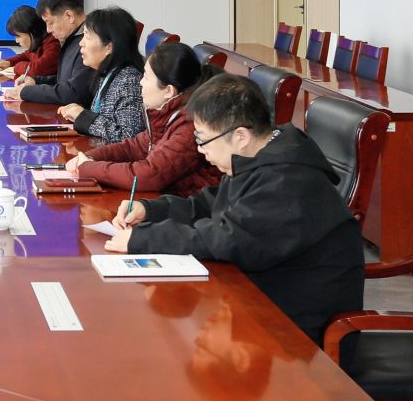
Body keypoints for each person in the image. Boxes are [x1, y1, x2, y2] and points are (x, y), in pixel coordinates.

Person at [106, 73, 364, 341]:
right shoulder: (258, 158)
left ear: (240, 136)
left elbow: (231, 239)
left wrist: (146, 238)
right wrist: (151, 210)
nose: (201, 150)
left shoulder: (287, 179)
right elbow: (211, 204)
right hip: (262, 301)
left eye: (203, 140)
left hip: (297, 332)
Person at [65, 42, 220, 196]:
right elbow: (134, 147)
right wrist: (89, 157)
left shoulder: (188, 124)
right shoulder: (166, 113)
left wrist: (89, 167)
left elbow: (148, 175)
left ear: (168, 91)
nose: (140, 82)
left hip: (189, 206)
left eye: (146, 77)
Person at [58, 6, 147, 143]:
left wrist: (83, 117)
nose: (81, 43)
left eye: (87, 37)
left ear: (109, 47)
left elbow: (128, 136)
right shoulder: (109, 72)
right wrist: (79, 112)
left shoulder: (129, 80)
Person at [3, 0, 93, 107]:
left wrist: (26, 92)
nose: (48, 30)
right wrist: (36, 81)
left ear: (69, 16)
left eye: (51, 23)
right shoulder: (71, 39)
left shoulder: (89, 43)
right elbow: (65, 81)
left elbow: (73, 93)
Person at [0, 5, 59, 79]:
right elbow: (27, 55)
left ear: (32, 31)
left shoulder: (54, 44)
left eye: (18, 36)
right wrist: (8, 63)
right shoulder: (39, 44)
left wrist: (15, 68)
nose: (16, 41)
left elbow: (37, 70)